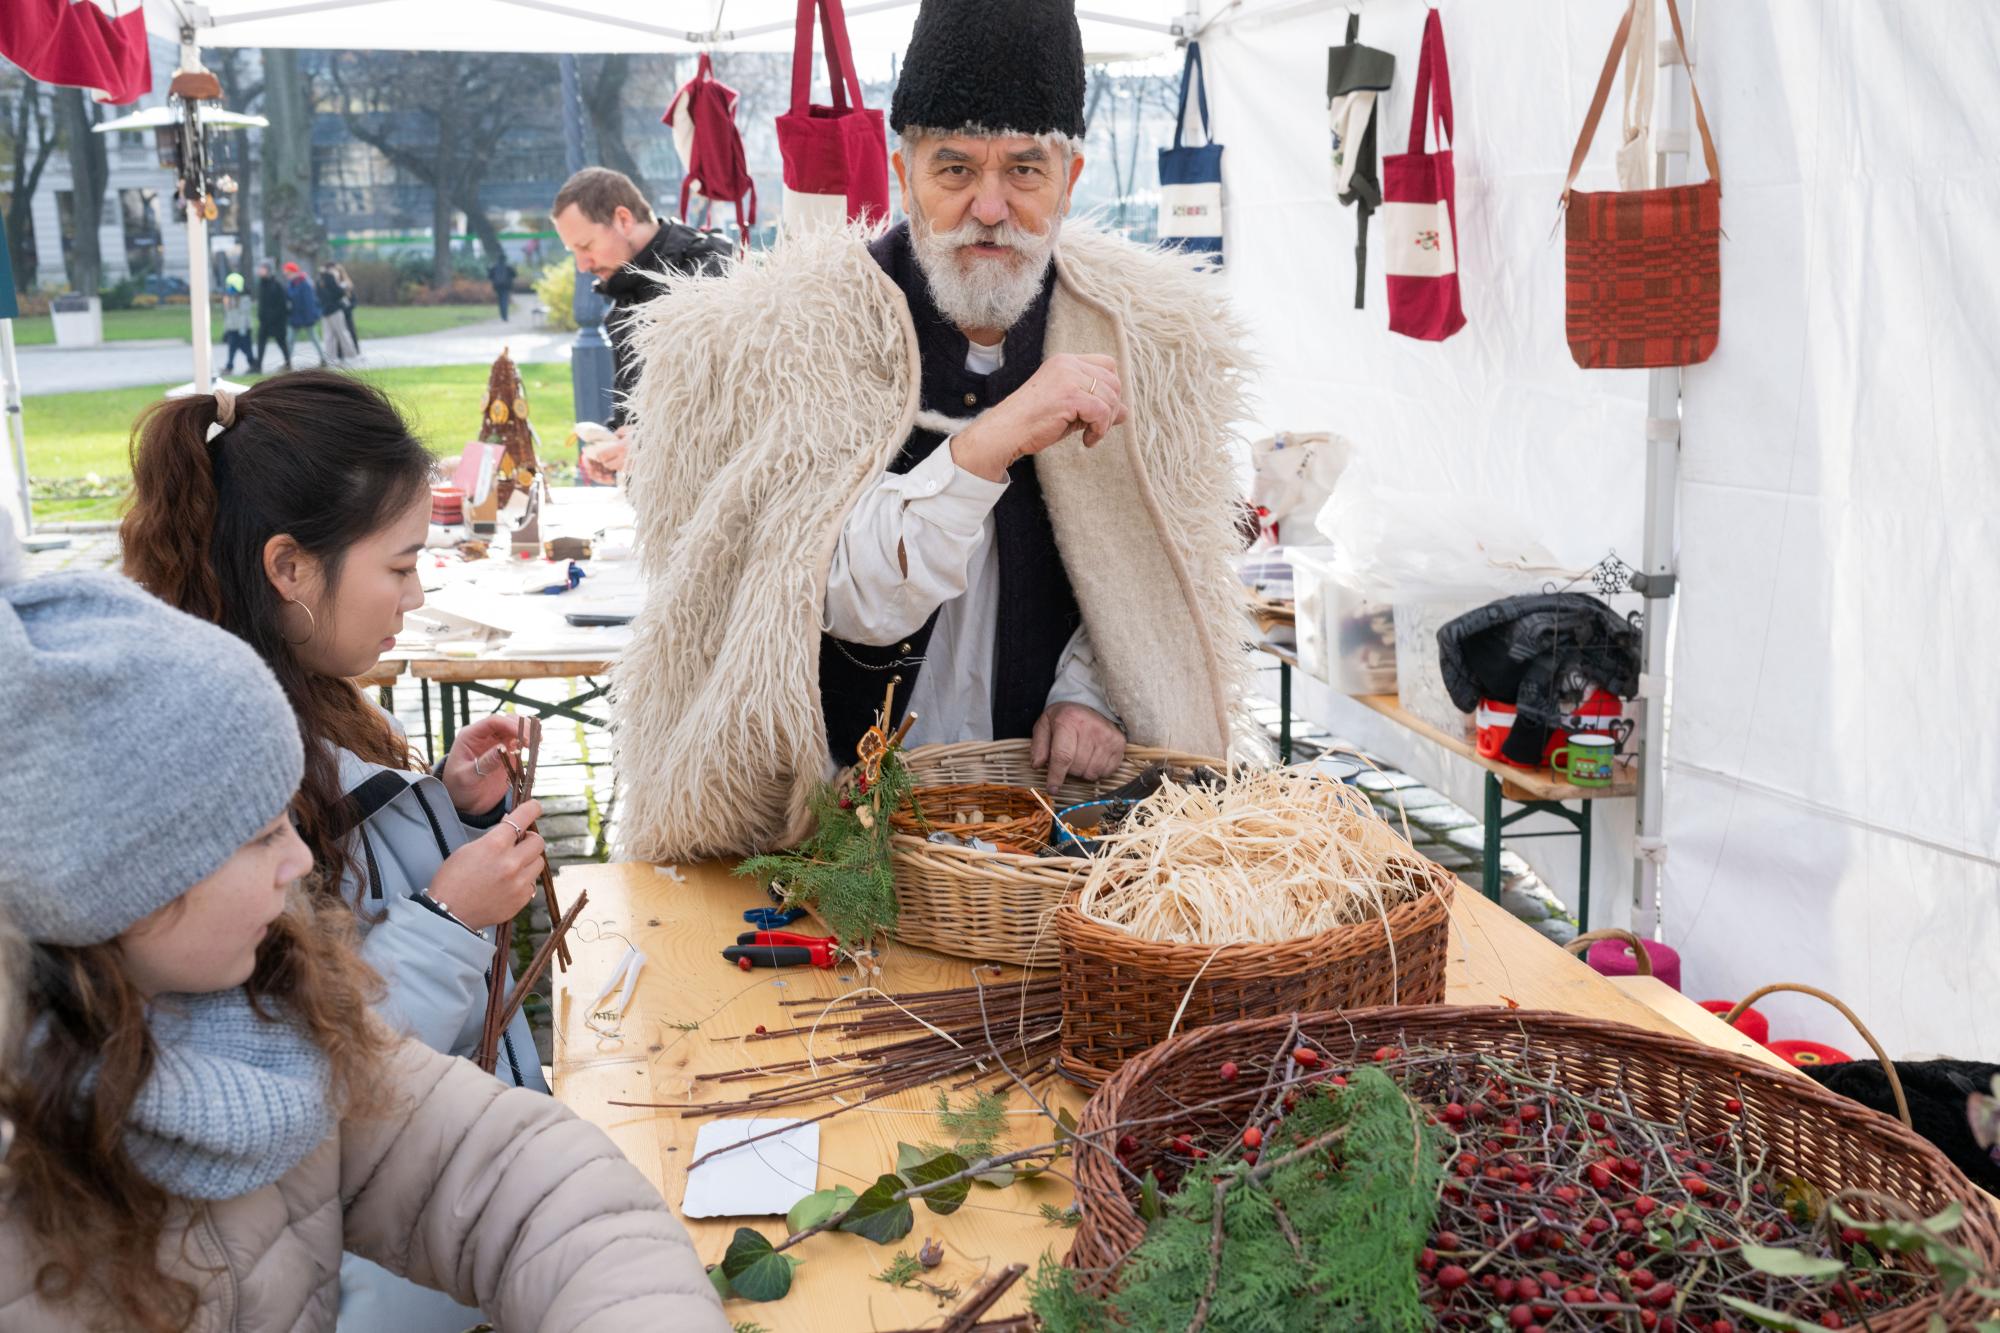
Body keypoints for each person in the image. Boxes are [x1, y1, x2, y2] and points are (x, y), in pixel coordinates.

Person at [0, 548, 731, 1331]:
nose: (300, 858)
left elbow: (537, 1189)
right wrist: (448, 919)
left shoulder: (277, 1015)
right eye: (259, 835)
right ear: (121, 877)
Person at [609, 0, 1254, 862]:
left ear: (1071, 175)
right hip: (824, 839)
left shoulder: (1145, 339)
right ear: (901, 168)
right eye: (954, 168)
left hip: (1037, 837)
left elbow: (1151, 574)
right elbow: (837, 599)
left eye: (1026, 170)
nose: (990, 207)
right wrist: (995, 438)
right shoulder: (795, 339)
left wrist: (1088, 693)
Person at [119, 374, 566, 1328]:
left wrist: (443, 804)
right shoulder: (215, 774)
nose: (415, 593)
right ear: (289, 567)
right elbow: (277, 1053)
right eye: (399, 567)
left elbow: (345, 894)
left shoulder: (298, 697)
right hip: (358, 1271)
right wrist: (449, 921)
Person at [549, 167, 732, 483]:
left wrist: (649, 442)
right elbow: (641, 407)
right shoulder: (625, 289)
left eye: (586, 246)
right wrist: (615, 443)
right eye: (574, 252)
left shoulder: (711, 270)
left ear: (623, 219)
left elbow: (729, 401)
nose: (582, 265)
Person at [284, 261, 326, 366]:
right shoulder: (291, 283)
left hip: (306, 317)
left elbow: (309, 303)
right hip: (295, 317)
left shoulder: (304, 283)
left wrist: (311, 318)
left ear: (293, 272)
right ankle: (288, 361)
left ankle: (323, 359)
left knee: (314, 338)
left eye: (288, 273)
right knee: (289, 340)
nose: (286, 276)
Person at [317, 261, 358, 363]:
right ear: (331, 269)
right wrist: (342, 288)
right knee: (342, 333)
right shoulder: (330, 278)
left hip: (325, 311)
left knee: (328, 336)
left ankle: (331, 357)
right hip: (335, 309)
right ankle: (351, 355)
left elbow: (319, 295)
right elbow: (338, 293)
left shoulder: (320, 279)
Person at [254, 260, 291, 372]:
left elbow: (282, 304)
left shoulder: (277, 285)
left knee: (281, 342)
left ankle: (288, 363)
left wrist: (274, 317)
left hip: (277, 321)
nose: (260, 271)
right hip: (264, 321)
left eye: (263, 268)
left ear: (269, 270)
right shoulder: (262, 284)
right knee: (261, 342)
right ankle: (258, 366)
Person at [219, 272, 253, 375]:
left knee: (246, 349)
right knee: (232, 349)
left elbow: (244, 315)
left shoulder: (244, 298)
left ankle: (253, 364)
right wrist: (226, 330)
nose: (228, 288)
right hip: (232, 329)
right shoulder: (228, 299)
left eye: (231, 286)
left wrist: (242, 330)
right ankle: (229, 367)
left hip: (243, 329)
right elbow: (228, 316)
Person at [333, 261, 361, 351]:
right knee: (338, 332)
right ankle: (340, 352)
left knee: (351, 331)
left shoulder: (347, 284)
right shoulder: (333, 285)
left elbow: (354, 300)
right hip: (338, 311)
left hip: (347, 311)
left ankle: (356, 349)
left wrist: (349, 308)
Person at [489, 253, 518, 321]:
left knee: (500, 301)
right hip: (506, 286)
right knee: (504, 300)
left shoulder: (494, 267)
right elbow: (514, 275)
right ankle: (505, 316)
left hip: (497, 286)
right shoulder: (508, 267)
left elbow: (490, 276)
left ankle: (502, 315)